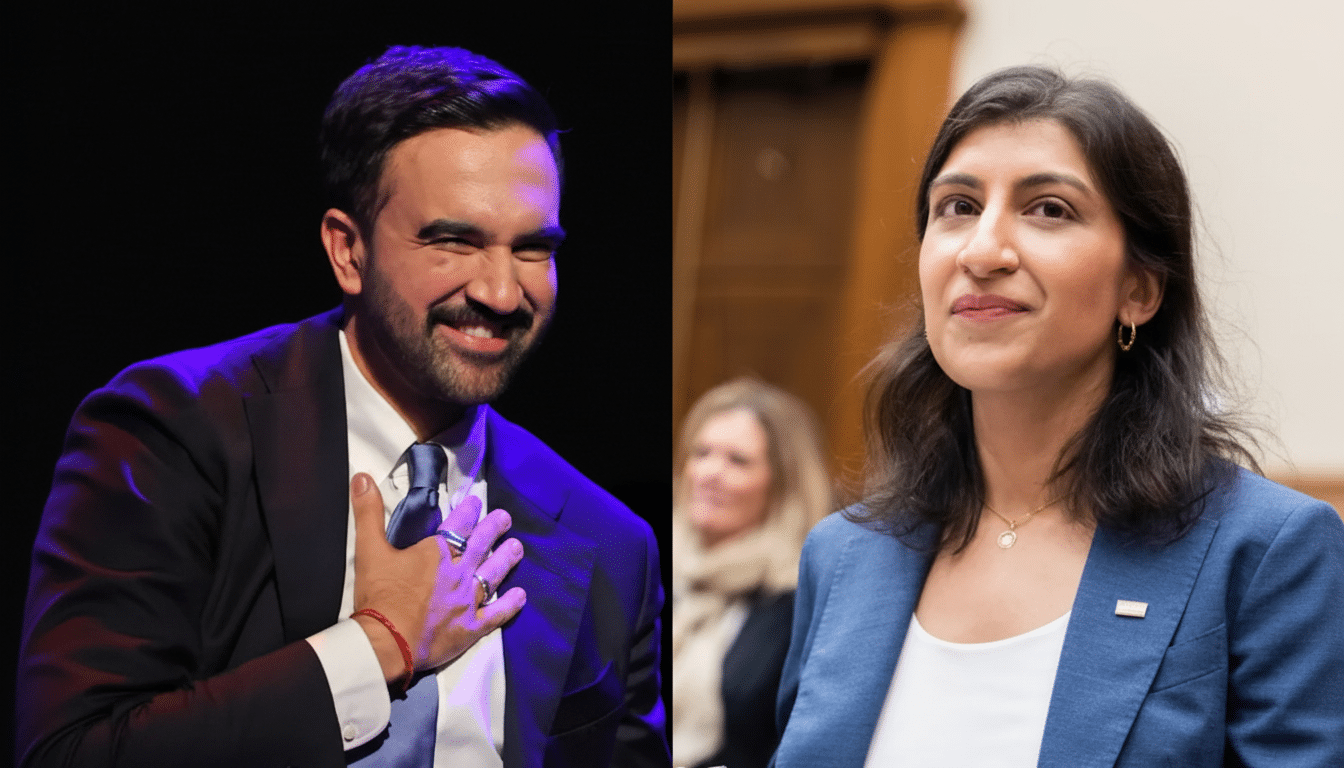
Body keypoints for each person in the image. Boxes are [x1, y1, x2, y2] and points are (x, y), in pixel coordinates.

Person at [17, 46, 668, 767]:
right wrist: (378, 642)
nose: (502, 293)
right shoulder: (175, 432)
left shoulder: (613, 545)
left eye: (533, 249)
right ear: (348, 251)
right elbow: (70, 751)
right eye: (454, 241)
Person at [771, 66, 1344, 767]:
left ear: (1139, 289)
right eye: (957, 206)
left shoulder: (1266, 552)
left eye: (1049, 209)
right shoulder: (841, 555)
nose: (982, 251)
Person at [672, 379, 831, 768]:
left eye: (737, 461)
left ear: (782, 485)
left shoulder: (799, 601)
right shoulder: (654, 565)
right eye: (702, 452)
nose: (710, 472)